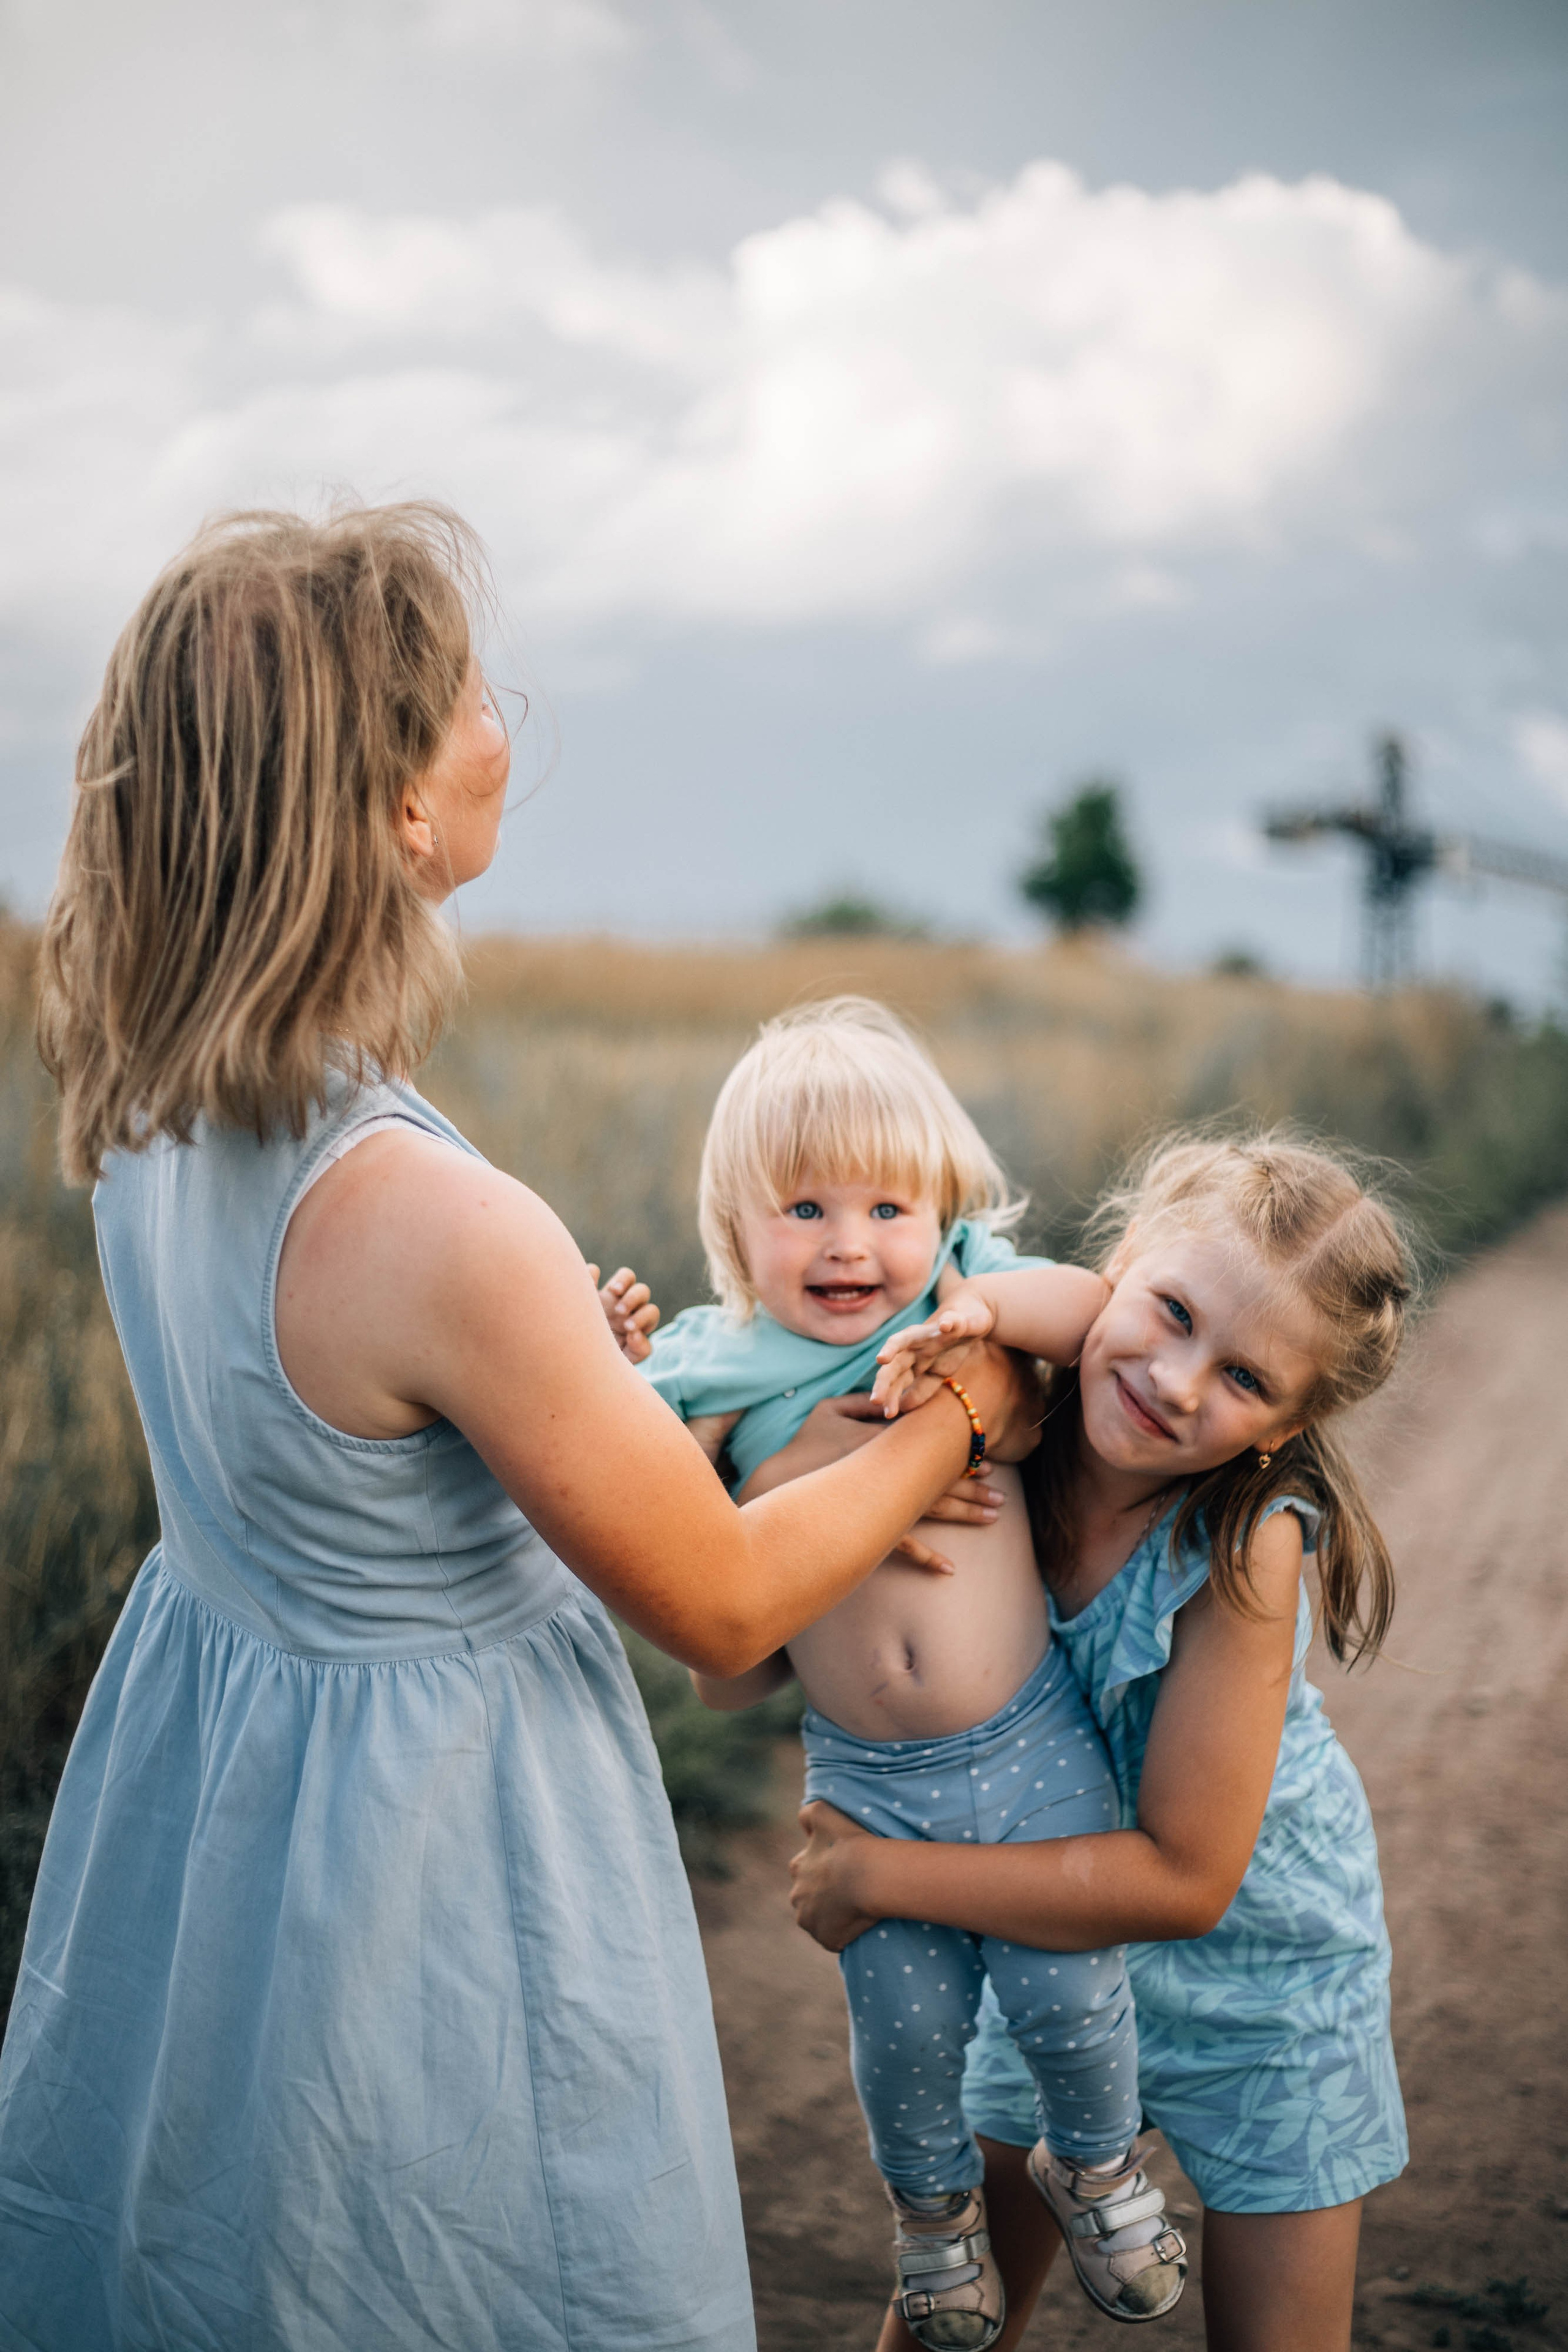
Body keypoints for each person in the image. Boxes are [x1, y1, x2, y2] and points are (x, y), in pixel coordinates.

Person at [0, 504, 1039, 2352]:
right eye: (473, 694)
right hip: (426, 1835)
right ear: (399, 808)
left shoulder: (153, 1108)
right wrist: (961, 1407)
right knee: (445, 2243)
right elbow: (721, 1603)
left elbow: (339, 1445)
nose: (506, 721)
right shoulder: (424, 1212)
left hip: (222, 1790)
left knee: (232, 2238)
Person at [786, 1132, 1414, 2352]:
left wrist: (878, 1873)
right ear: (1114, 1267)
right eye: (1169, 1311)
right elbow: (749, 1631)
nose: (1178, 1382)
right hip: (1051, 1953)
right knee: (944, 2332)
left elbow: (1183, 1880)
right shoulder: (999, 1422)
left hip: (1264, 1993)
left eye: (1244, 1379)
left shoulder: (1246, 1546)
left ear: (1287, 1429)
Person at [638, 1001, 1189, 2347]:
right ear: (734, 1232)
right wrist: (616, 1362)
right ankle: (934, 2222)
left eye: (888, 1205)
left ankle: (1099, 2163)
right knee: (905, 2041)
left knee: (1070, 1999)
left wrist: (988, 1309)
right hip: (864, 1776)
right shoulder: (721, 1365)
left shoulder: (964, 1299)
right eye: (802, 1207)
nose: (846, 1242)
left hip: (1023, 1741)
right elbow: (645, 1499)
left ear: (942, 1212)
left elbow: (1094, 1313)